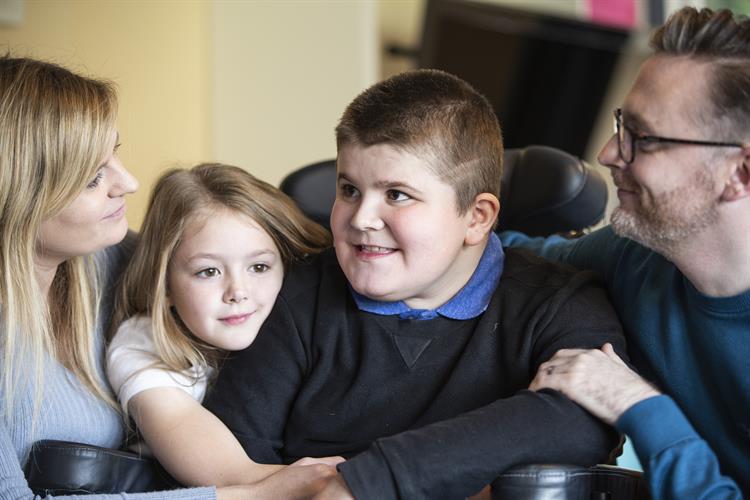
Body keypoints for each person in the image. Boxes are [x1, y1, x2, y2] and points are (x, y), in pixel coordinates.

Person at [204, 69, 628, 499]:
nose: (361, 218)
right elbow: (231, 466)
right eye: (349, 189)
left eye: (396, 195)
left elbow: (590, 416)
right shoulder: (291, 299)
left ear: (476, 217)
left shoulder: (557, 306)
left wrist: (370, 481)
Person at [0, 56, 333, 500]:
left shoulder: (112, 260)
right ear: (21, 195)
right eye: (93, 178)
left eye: (114, 155)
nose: (130, 183)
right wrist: (261, 494)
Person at [501, 7, 750, 498]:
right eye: (621, 126)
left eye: (645, 138)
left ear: (740, 174)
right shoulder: (639, 260)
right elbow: (513, 260)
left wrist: (638, 406)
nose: (608, 155)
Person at [107, 163, 341, 487]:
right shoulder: (143, 344)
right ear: (164, 285)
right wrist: (353, 481)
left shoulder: (302, 317)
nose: (238, 292)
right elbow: (231, 475)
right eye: (208, 272)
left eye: (259, 266)